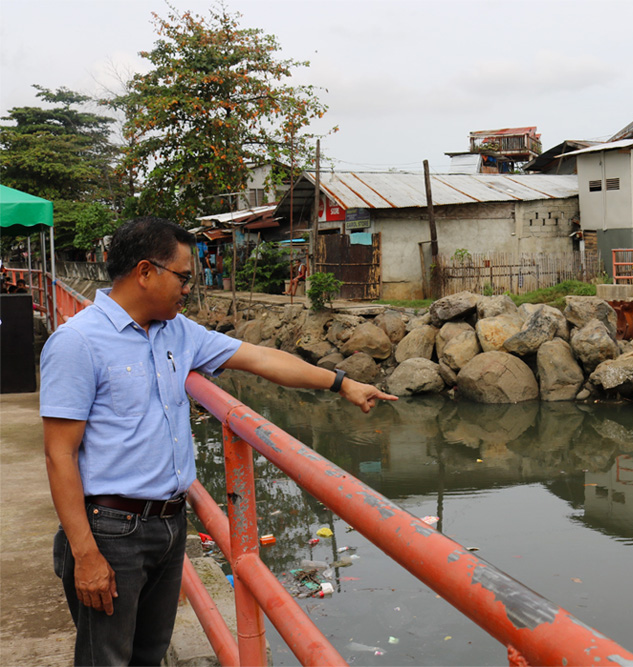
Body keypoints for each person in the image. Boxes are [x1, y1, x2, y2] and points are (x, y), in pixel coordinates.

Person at [39, 217, 396, 666]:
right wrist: (85, 553)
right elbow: (59, 454)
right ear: (146, 272)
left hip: (169, 523)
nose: (189, 288)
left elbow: (261, 358)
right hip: (110, 528)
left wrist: (340, 382)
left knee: (149, 655)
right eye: (184, 277)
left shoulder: (178, 332)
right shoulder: (77, 342)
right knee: (105, 659)